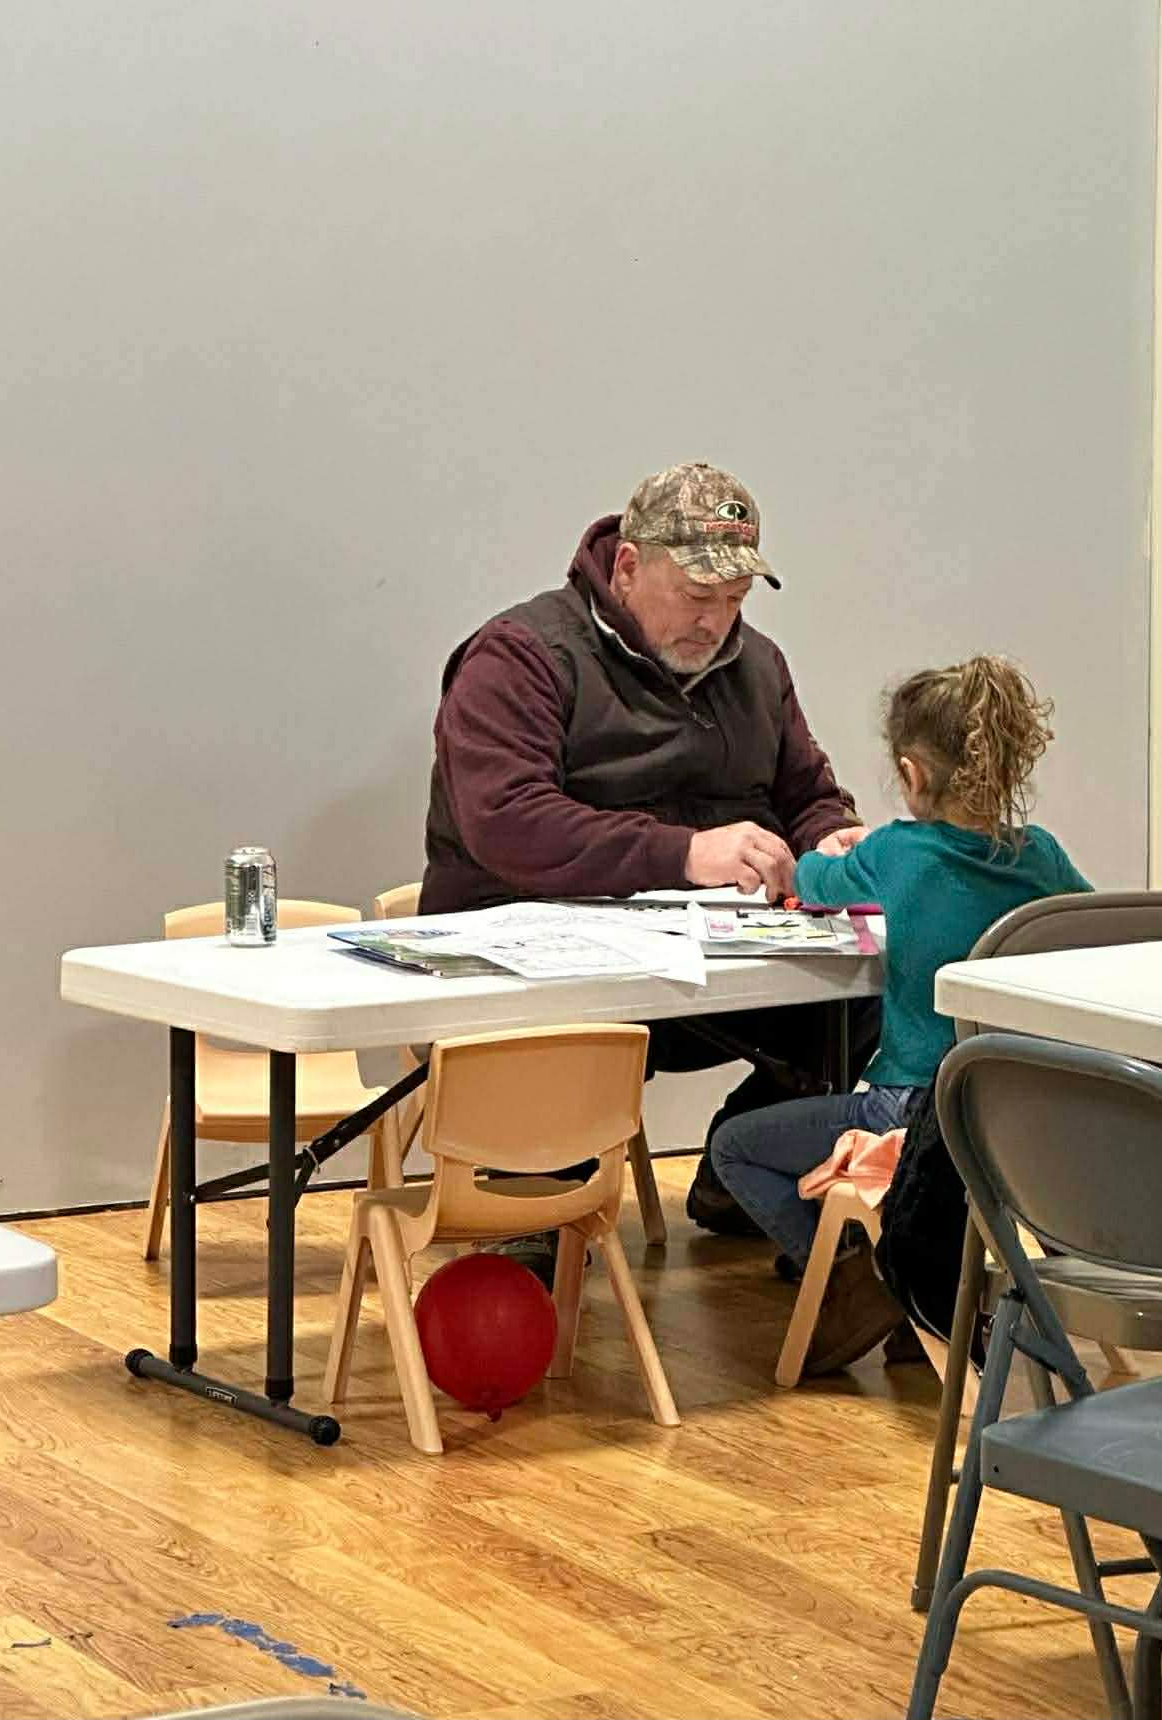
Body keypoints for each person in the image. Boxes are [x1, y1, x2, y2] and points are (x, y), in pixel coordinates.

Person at [418, 461, 880, 1241]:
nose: (716, 621)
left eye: (735, 599)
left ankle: (748, 1169)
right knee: (559, 1037)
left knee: (872, 987)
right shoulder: (521, 655)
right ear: (628, 566)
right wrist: (686, 854)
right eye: (698, 596)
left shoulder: (758, 666)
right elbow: (506, 821)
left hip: (706, 963)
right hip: (542, 963)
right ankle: (533, 1214)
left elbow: (806, 792)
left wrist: (831, 837)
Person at [711, 654, 1092, 1373]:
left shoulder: (897, 851)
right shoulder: (1041, 855)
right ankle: (901, 1282)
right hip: (1013, 1118)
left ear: (912, 776)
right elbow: (1090, 920)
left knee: (735, 1147)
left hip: (909, 1109)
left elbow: (813, 880)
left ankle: (864, 1277)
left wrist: (834, 852)